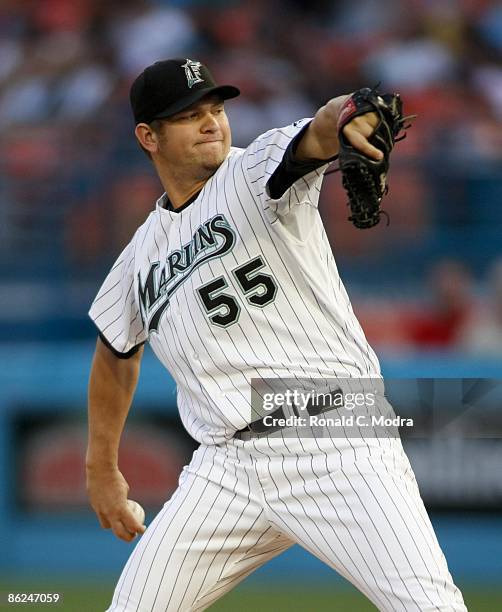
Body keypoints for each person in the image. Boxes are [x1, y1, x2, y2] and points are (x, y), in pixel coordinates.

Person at [86, 58, 466, 611]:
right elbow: (115, 355)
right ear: (149, 136)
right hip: (225, 468)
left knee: (428, 606)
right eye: (189, 116)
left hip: (336, 435)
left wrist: (351, 112)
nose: (212, 122)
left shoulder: (254, 171)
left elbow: (317, 130)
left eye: (216, 108)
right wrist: (102, 470)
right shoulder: (136, 261)